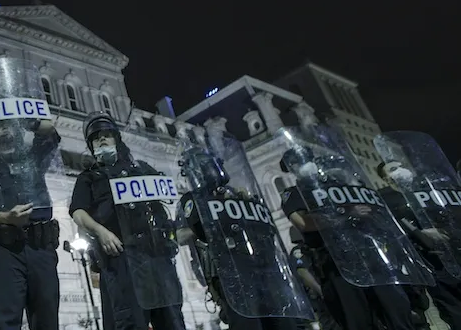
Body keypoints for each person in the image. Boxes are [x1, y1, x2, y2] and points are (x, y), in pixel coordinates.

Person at [280, 145, 422, 330]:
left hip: (371, 256)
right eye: (296, 162)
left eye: (306, 158)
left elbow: (370, 210)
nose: (303, 164)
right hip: (337, 264)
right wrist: (346, 214)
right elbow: (304, 223)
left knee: (397, 312)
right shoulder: (293, 193)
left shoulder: (338, 184)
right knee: (357, 320)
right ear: (291, 168)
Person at [69, 111, 186, 330]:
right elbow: (77, 212)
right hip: (120, 257)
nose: (102, 139)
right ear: (91, 146)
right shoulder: (90, 177)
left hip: (155, 257)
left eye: (106, 135)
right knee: (129, 322)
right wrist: (101, 231)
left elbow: (165, 202)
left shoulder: (141, 170)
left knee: (172, 320)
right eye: (96, 137)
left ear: (116, 138)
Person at [178, 137, 310, 330]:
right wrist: (211, 222)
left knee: (284, 324)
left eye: (212, 164)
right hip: (231, 274)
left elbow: (266, 228)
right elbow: (181, 234)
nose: (210, 170)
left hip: (265, 268)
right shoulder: (193, 199)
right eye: (204, 166)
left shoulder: (238, 194)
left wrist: (248, 203)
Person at [0, 117, 62, 330]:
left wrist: (26, 119)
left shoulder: (32, 158)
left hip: (41, 247)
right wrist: (5, 217)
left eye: (8, 125)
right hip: (4, 249)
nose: (3, 131)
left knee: (47, 318)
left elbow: (50, 132)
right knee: (5, 321)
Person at [376, 159, 460, 329]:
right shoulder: (386, 199)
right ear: (386, 178)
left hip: (454, 252)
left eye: (401, 166)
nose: (399, 170)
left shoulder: (426, 191)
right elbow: (389, 232)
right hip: (430, 262)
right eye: (393, 169)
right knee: (452, 308)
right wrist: (420, 234)